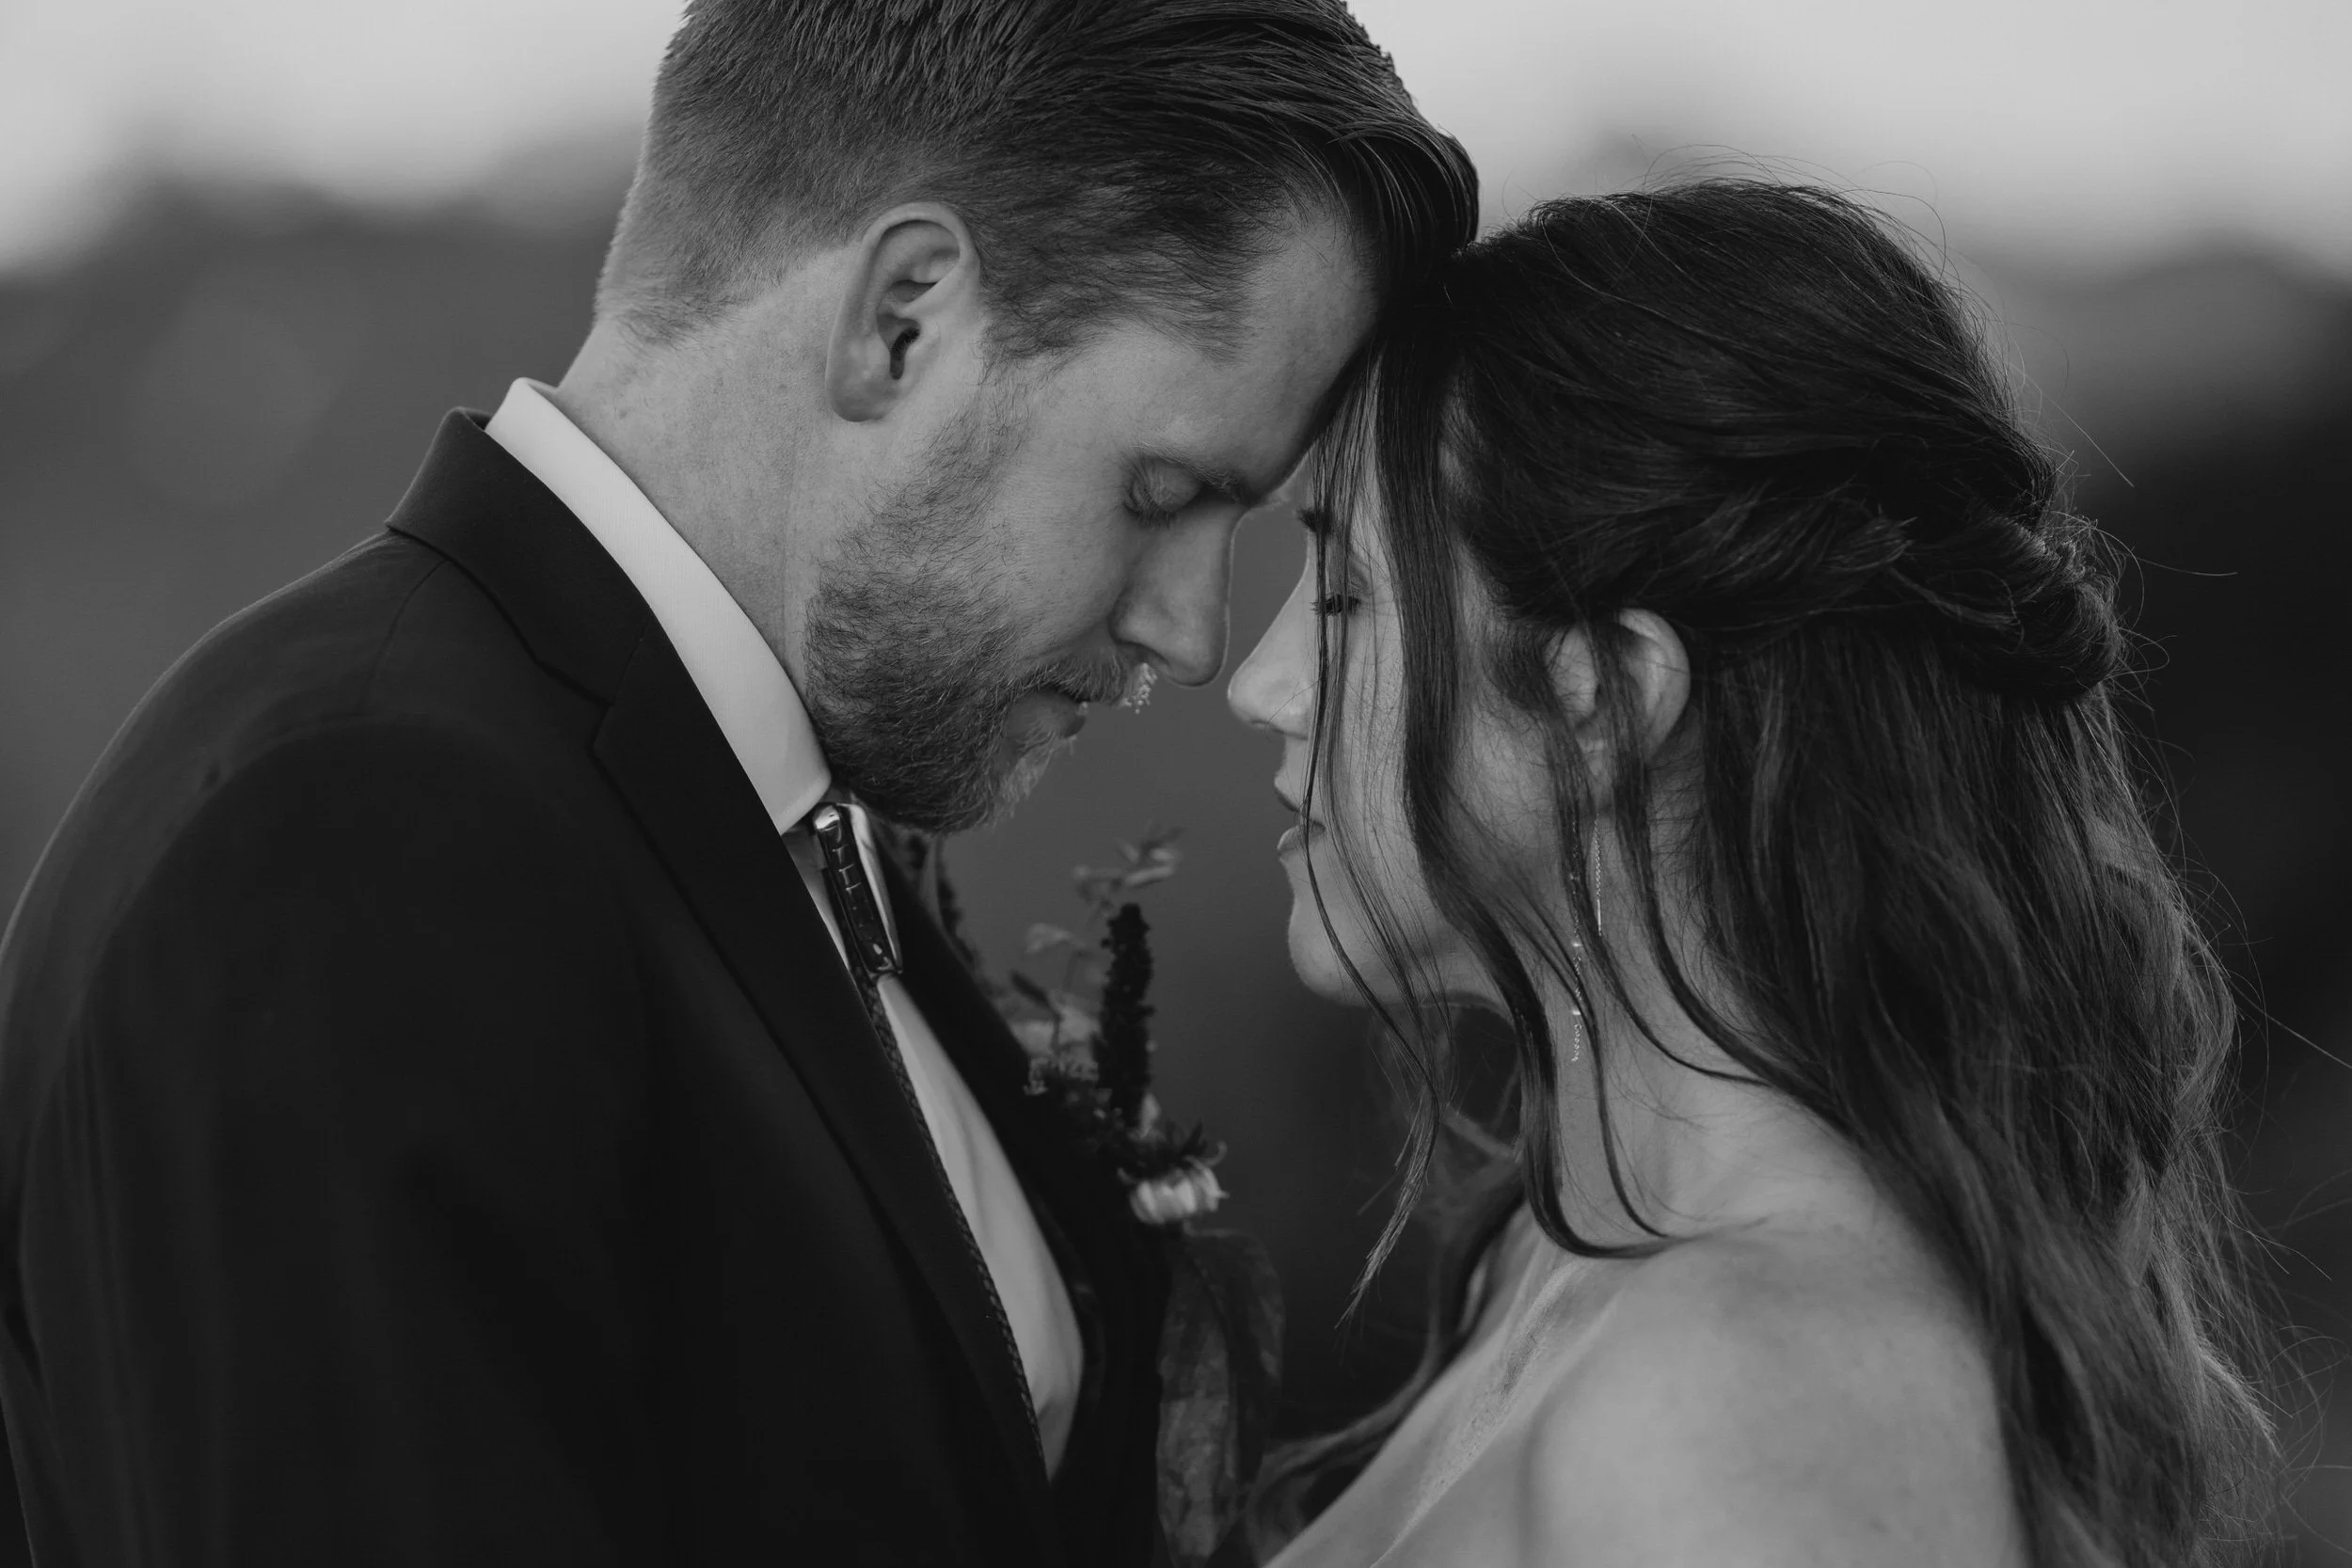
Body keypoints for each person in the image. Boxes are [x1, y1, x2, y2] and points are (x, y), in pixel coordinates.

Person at [0, 3, 1473, 1563]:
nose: (1190, 633)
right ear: (901, 317)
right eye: (1164, 492)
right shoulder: (362, 838)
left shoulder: (741, 816)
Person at [1228, 181, 2279, 1567]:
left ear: (1601, 696)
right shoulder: (1567, 1260)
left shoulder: (1750, 1390)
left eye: (1348, 597)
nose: (1261, 681)